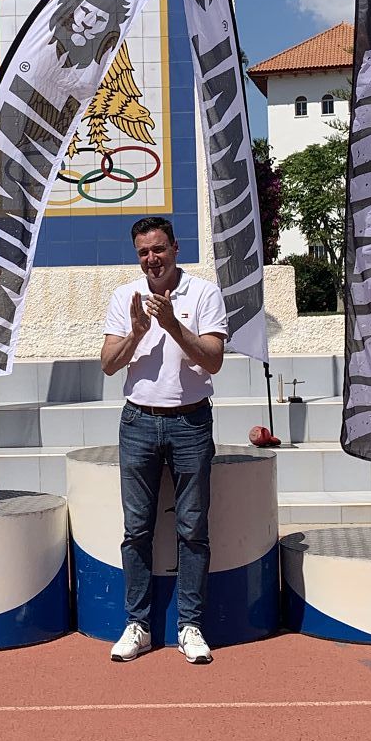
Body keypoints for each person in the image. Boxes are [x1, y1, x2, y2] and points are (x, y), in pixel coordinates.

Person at [100, 216, 227, 664]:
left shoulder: (204, 293)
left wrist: (172, 324)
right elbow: (109, 365)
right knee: (136, 530)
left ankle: (190, 626)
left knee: (193, 529)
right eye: (143, 253)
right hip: (138, 421)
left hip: (191, 423)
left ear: (175, 247)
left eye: (158, 249)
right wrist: (137, 332)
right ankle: (138, 625)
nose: (151, 259)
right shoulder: (124, 297)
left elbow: (213, 360)